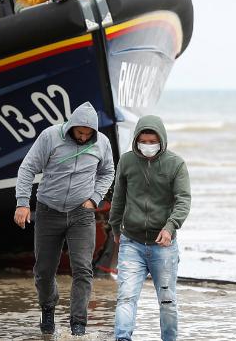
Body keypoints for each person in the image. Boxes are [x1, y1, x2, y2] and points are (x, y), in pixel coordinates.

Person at [13, 102, 115, 336]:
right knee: (44, 270)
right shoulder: (50, 137)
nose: (83, 137)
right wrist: (22, 202)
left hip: (82, 214)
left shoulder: (102, 143)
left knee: (83, 269)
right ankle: (48, 308)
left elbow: (108, 171)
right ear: (71, 126)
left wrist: (95, 198)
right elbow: (27, 168)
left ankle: (78, 324)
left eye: (88, 134)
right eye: (80, 132)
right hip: (49, 211)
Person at [110, 116, 191, 341]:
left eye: (152, 141)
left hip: (163, 245)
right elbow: (118, 197)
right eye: (143, 141)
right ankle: (122, 338)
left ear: (161, 140)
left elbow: (183, 200)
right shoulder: (126, 161)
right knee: (126, 297)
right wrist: (115, 228)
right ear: (136, 140)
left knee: (167, 301)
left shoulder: (176, 164)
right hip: (131, 243)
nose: (147, 146)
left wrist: (170, 227)